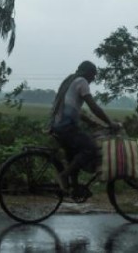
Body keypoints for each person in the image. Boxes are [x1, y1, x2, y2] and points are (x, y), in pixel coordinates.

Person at [50, 60, 118, 192]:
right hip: (66, 127)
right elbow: (93, 107)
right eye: (93, 75)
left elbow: (73, 108)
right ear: (87, 72)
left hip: (57, 125)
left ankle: (74, 187)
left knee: (73, 155)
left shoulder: (70, 81)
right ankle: (64, 176)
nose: (93, 78)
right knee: (90, 148)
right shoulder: (82, 82)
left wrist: (90, 122)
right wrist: (110, 123)